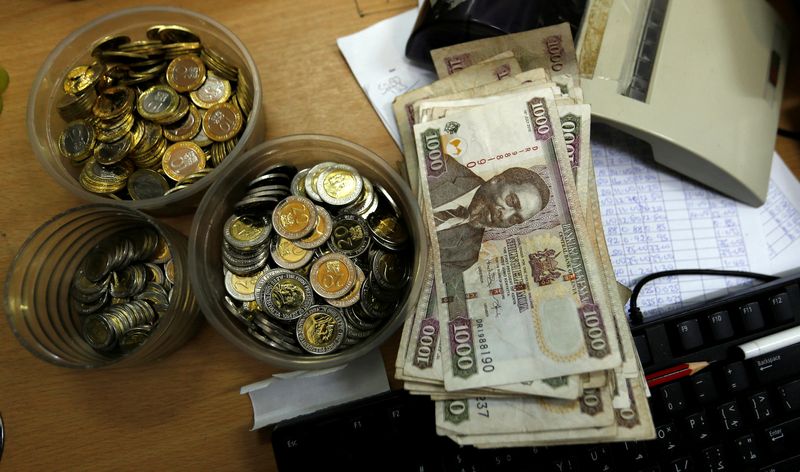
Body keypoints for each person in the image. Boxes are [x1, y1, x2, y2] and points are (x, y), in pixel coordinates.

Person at [429, 158, 550, 316]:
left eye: (515, 219)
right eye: (512, 201)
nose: (505, 216)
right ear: (497, 180)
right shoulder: (443, 167)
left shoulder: (467, 256)